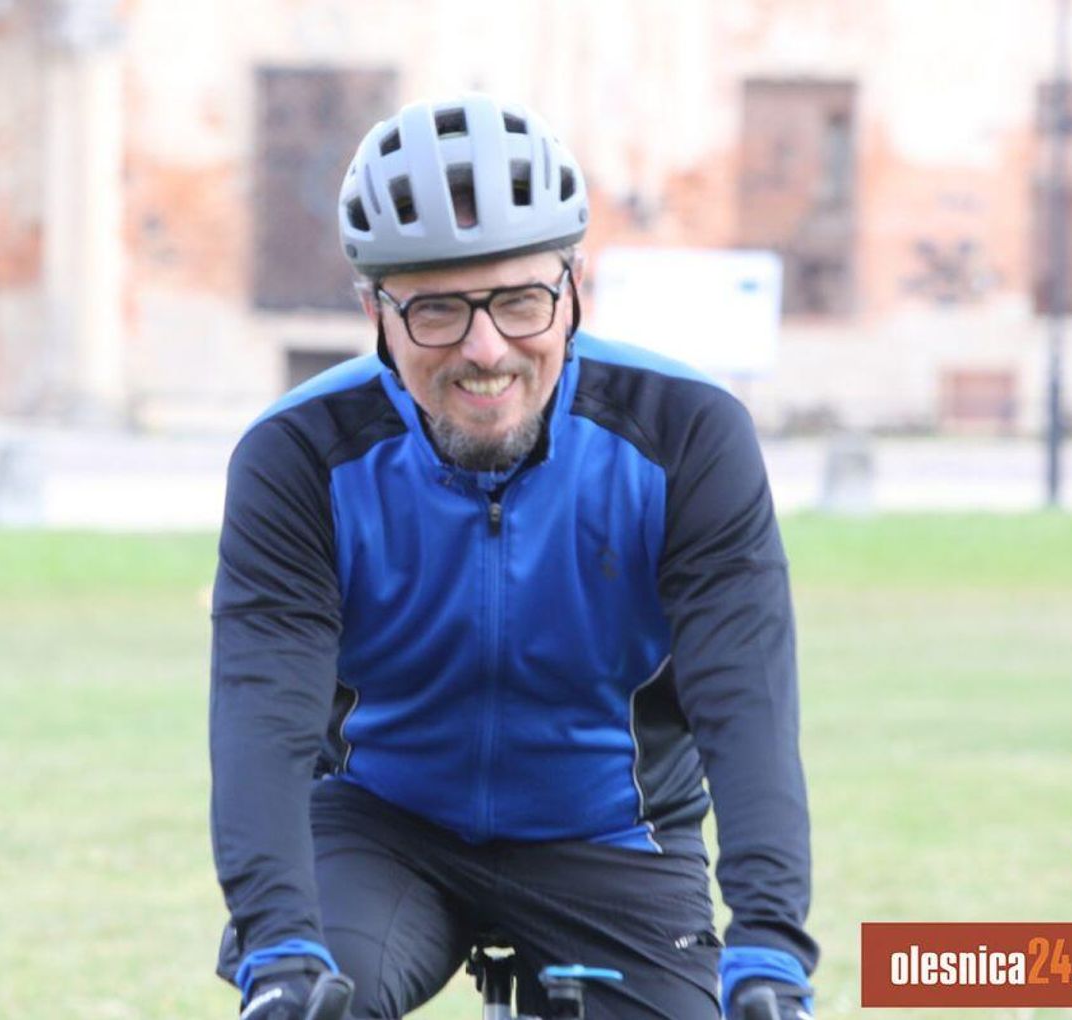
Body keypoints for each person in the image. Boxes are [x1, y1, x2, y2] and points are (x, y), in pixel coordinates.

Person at [210, 93, 817, 1020]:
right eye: (436, 311)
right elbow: (263, 712)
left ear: (573, 288)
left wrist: (769, 943)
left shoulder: (686, 435)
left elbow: (746, 703)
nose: (486, 350)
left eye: (521, 301)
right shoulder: (300, 453)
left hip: (614, 834)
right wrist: (278, 944)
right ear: (374, 311)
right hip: (378, 829)